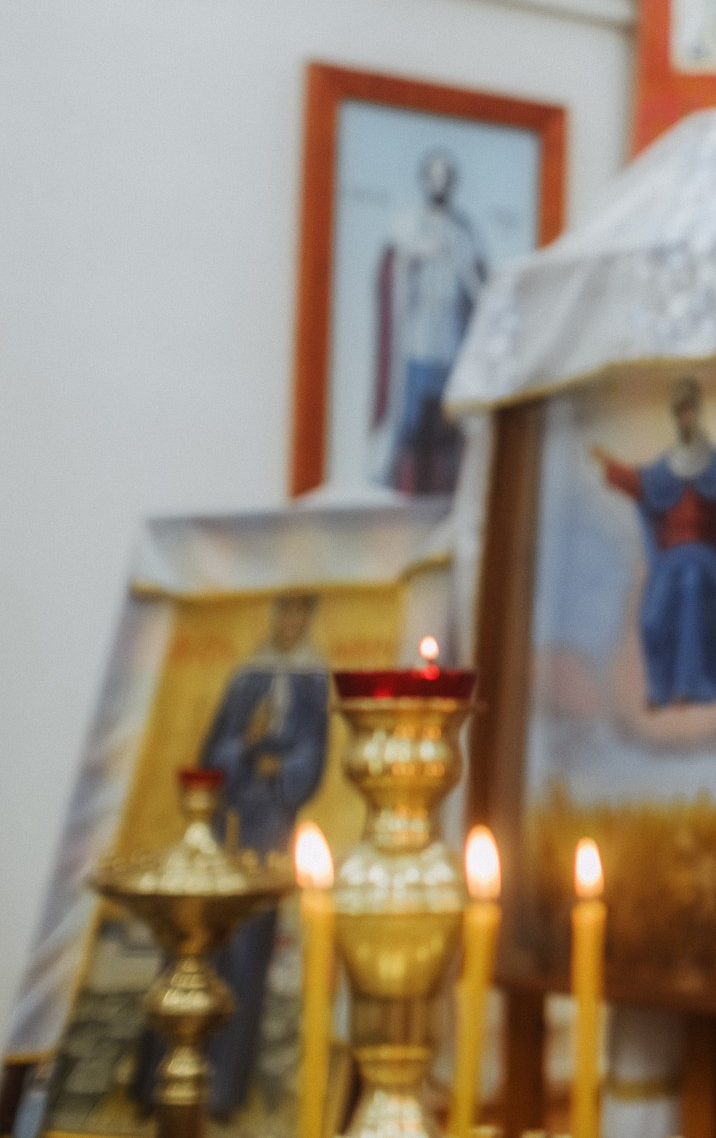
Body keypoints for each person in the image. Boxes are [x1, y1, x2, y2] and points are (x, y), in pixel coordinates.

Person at [136, 594, 330, 1117]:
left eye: (299, 613)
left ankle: (222, 1093)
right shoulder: (246, 676)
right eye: (284, 612)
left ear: (307, 619)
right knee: (196, 932)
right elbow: (215, 743)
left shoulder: (313, 681)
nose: (290, 622)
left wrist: (281, 770)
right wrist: (241, 750)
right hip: (226, 816)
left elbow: (314, 750)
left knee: (247, 945)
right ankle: (159, 1084)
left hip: (270, 821)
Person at [592, 378, 716, 709]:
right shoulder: (663, 469)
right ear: (676, 416)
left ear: (696, 413)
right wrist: (606, 461)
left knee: (690, 590)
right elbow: (637, 483)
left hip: (702, 558)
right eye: (680, 412)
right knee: (652, 617)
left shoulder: (714, 464)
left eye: (690, 411)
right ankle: (660, 688)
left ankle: (690, 686)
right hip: (668, 560)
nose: (686, 418)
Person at [374, 146, 489, 493]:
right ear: (425, 180)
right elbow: (391, 272)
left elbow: (478, 282)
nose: (439, 184)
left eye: (445, 177)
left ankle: (445, 489)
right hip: (417, 339)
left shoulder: (464, 229)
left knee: (446, 420)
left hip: (451, 339)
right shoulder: (408, 225)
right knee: (414, 421)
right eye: (433, 176)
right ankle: (407, 486)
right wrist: (414, 256)